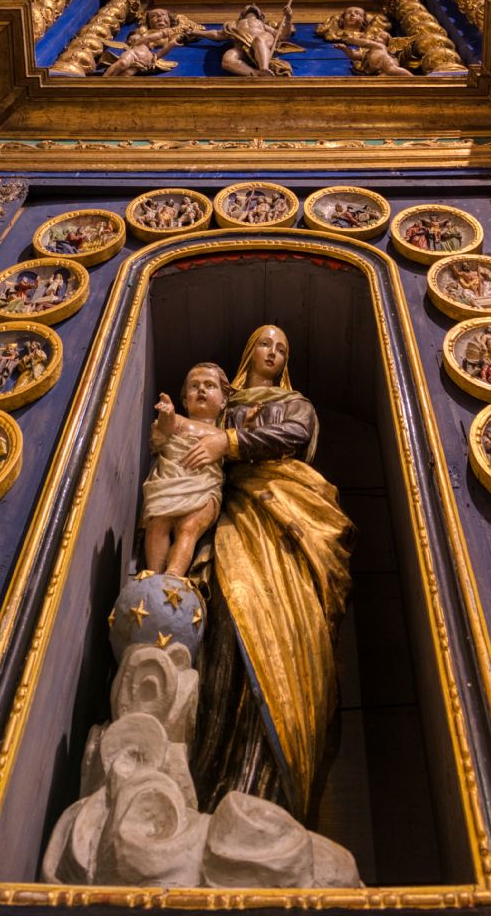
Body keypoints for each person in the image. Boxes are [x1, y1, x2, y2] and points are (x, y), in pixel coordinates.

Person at [188, 325, 354, 821]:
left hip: (291, 515)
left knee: (295, 630)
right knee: (227, 630)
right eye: (266, 343)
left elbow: (293, 435)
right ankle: (213, 784)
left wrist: (228, 442)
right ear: (249, 351)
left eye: (282, 348)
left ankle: (276, 793)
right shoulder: (224, 403)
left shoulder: (297, 404)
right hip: (235, 514)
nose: (274, 352)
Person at [140, 362, 229, 577]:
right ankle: (153, 575)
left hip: (204, 486)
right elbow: (165, 427)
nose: (201, 390)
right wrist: (167, 413)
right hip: (170, 480)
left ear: (224, 400)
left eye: (210, 385)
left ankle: (173, 576)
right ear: (184, 401)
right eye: (194, 386)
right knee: (158, 522)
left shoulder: (224, 435)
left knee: (189, 527)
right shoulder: (180, 422)